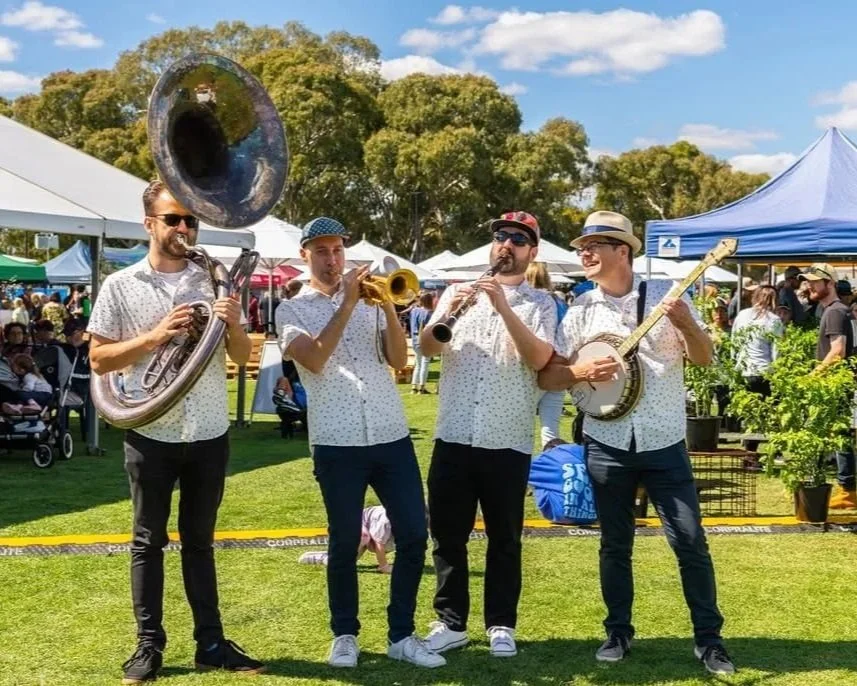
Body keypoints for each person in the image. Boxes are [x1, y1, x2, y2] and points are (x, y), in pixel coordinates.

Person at [539, 210, 736, 676]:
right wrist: (580, 372)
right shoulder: (579, 310)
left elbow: (704, 359)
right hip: (605, 442)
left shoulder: (668, 296)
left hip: (664, 441)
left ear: (622, 251)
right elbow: (550, 376)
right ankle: (618, 632)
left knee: (690, 541)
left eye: (594, 246)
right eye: (582, 247)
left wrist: (687, 324)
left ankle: (709, 641)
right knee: (614, 545)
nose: (585, 253)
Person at [87, 179, 265, 684]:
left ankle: (211, 643)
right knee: (148, 541)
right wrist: (156, 336)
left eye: (191, 220)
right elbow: (98, 358)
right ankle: (149, 646)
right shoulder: (120, 285)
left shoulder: (214, 282)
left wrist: (234, 324)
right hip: (151, 431)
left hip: (207, 431)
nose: (184, 228)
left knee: (200, 542)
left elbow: (239, 357)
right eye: (173, 219)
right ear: (150, 224)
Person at [275, 216, 444, 669]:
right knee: (345, 539)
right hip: (336, 440)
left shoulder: (371, 302)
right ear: (304, 255)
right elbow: (313, 359)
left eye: (338, 250)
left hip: (390, 433)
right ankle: (345, 634)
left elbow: (399, 360)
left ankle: (401, 635)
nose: (332, 259)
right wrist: (347, 303)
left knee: (414, 534)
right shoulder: (290, 309)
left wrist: (387, 305)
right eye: (322, 251)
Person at [419, 211, 557, 659]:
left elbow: (540, 360)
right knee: (447, 537)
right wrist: (448, 313)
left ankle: (501, 624)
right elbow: (427, 347)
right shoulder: (457, 292)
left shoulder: (541, 303)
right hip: (454, 433)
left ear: (532, 252)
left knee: (504, 540)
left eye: (518, 239)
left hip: (507, 438)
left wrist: (502, 307)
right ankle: (450, 622)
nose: (507, 245)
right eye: (501, 237)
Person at [800, 264, 856, 509]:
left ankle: (847, 490)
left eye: (814, 281)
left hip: (833, 384)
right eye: (807, 281)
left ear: (830, 283)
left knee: (838, 435)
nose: (808, 286)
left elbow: (837, 352)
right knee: (839, 434)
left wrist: (811, 377)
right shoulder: (838, 310)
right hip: (837, 383)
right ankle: (846, 488)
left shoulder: (834, 312)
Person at [299, 505, 395, 574]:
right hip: (354, 525)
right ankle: (324, 558)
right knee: (362, 539)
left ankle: (333, 555)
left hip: (371, 530)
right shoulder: (386, 520)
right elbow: (379, 543)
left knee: (350, 561)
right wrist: (384, 566)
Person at [409, 292, 435, 394]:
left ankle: (413, 387)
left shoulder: (414, 311)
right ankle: (421, 387)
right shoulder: (429, 313)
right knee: (425, 363)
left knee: (418, 364)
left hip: (414, 339)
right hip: (424, 339)